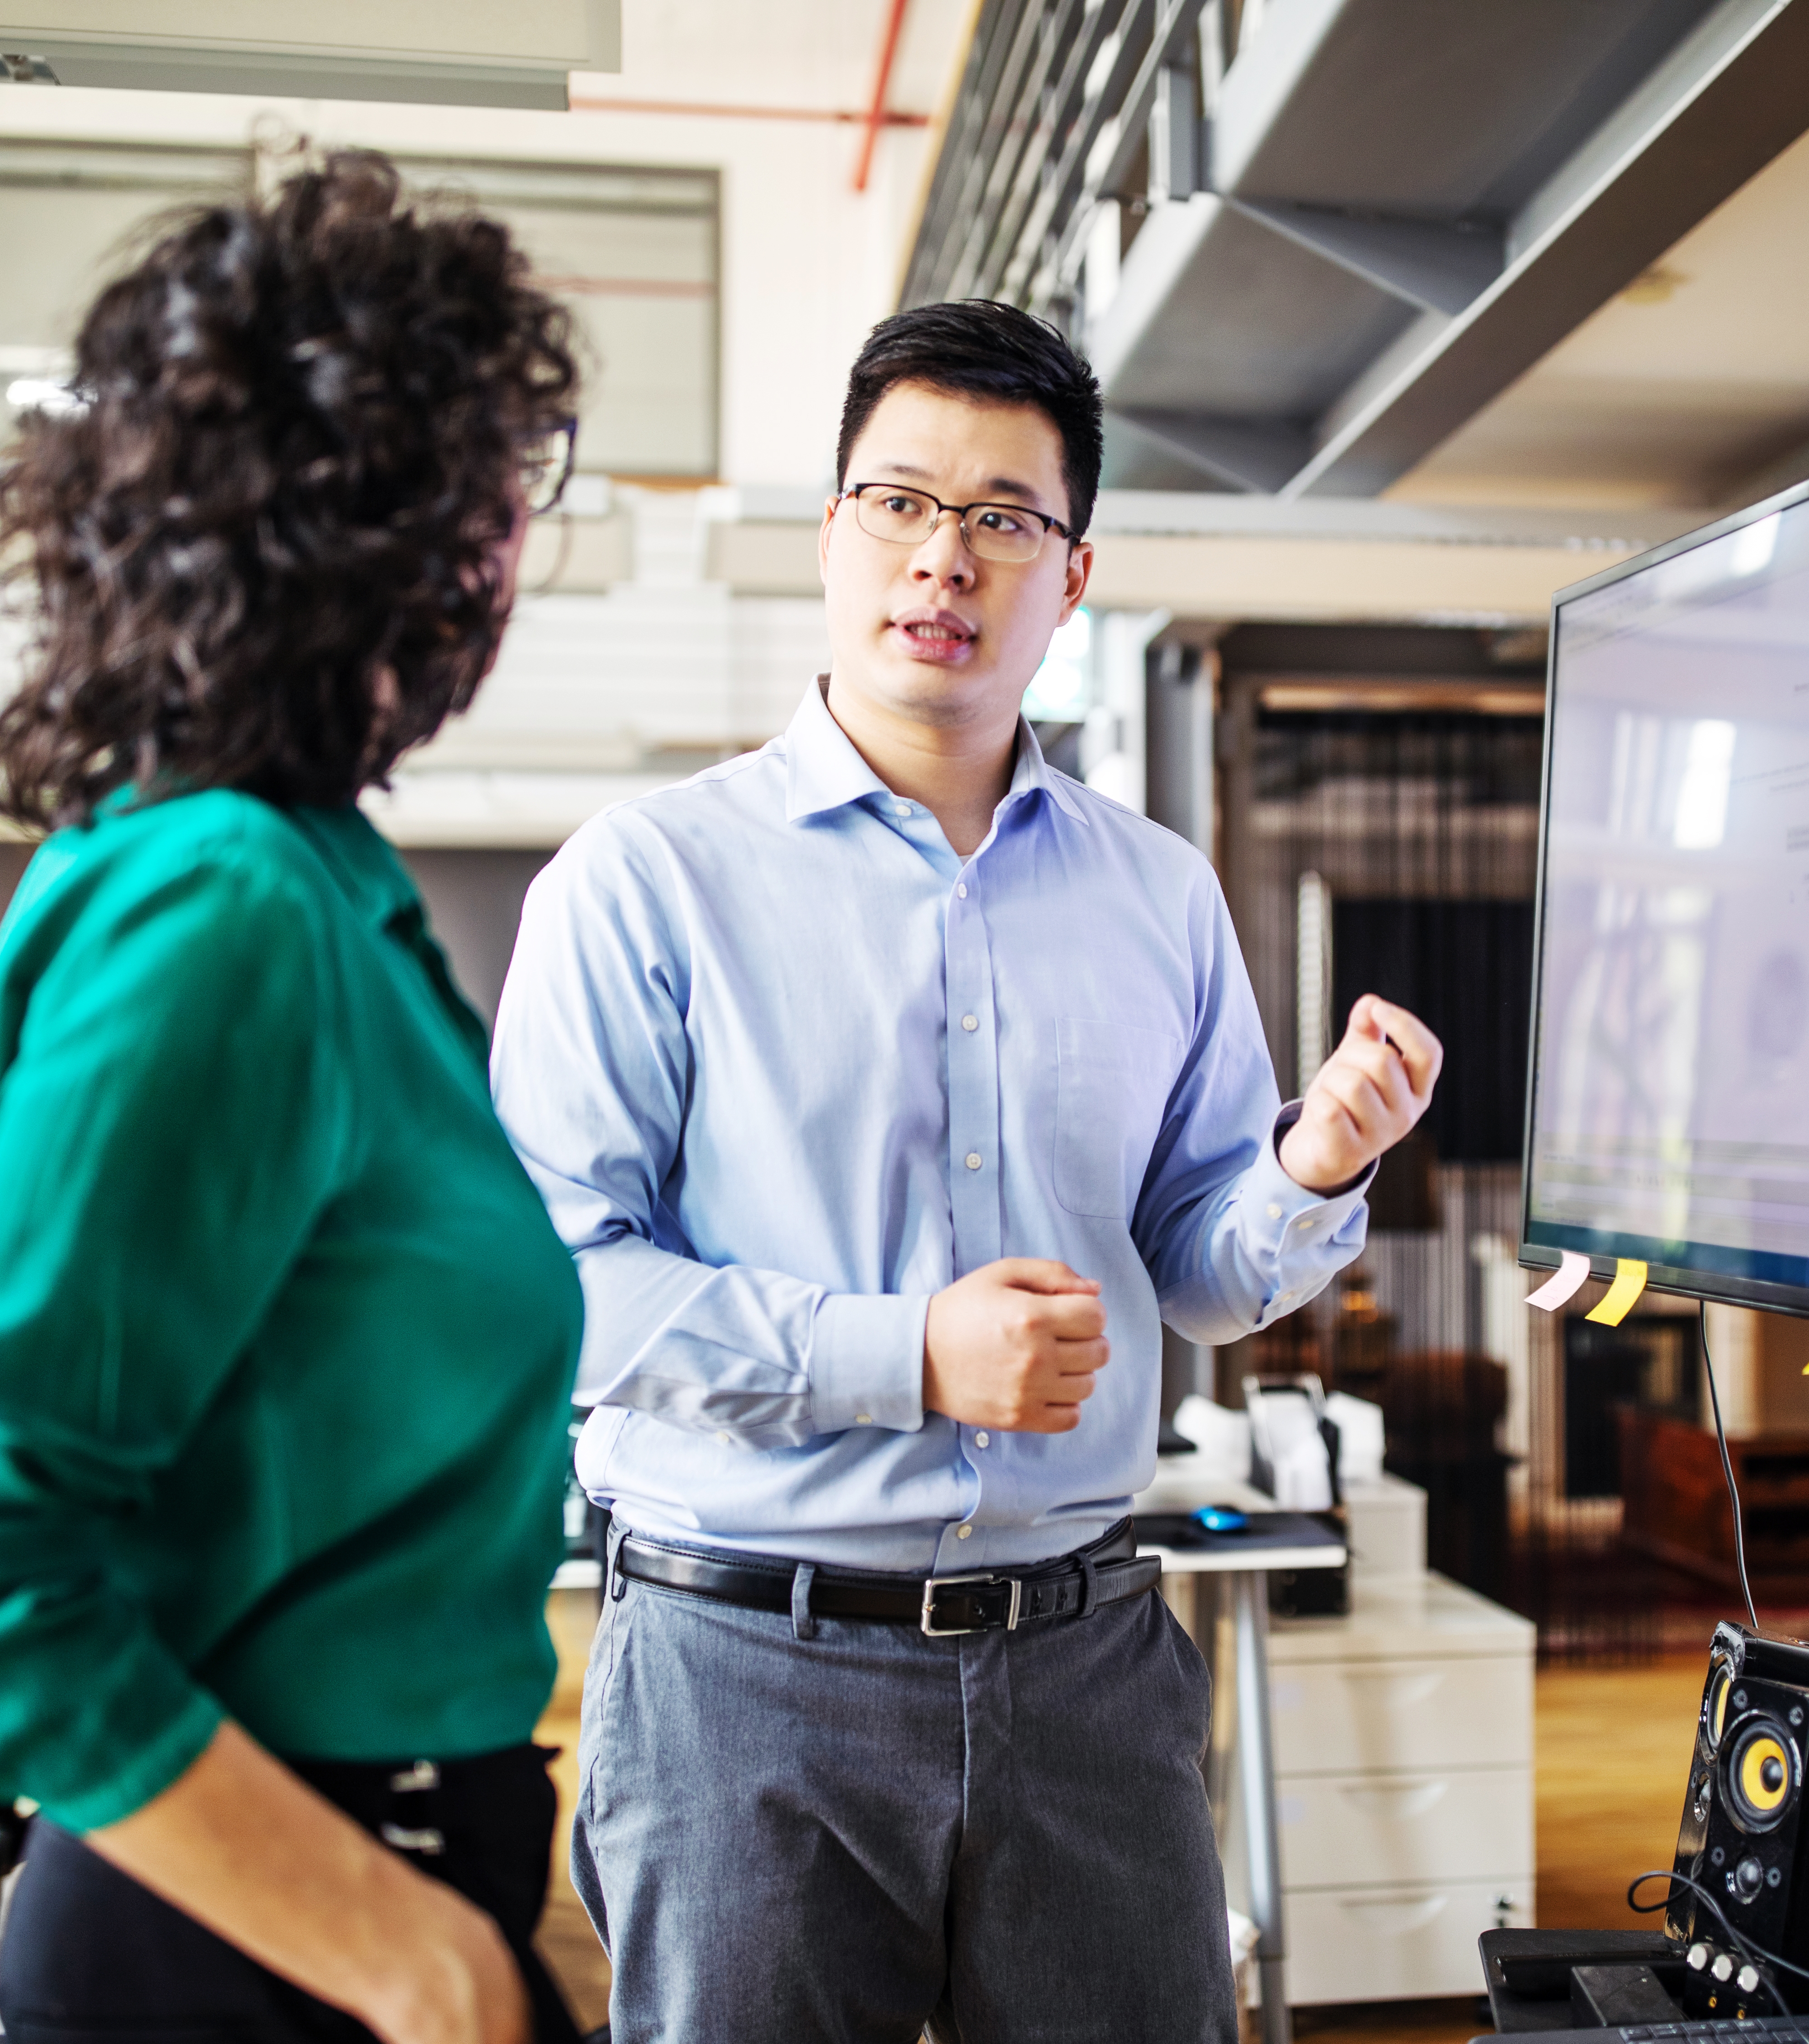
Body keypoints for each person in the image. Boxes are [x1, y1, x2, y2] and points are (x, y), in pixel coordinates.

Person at [491, 298, 1445, 2042]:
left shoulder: (1160, 895)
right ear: (832, 535)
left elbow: (1205, 1277)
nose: (947, 557)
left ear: (1070, 576)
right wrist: (909, 1356)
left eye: (1004, 518)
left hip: (1084, 1669)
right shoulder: (647, 883)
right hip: (745, 1679)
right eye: (901, 503)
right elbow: (557, 1290)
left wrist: (1314, 1162)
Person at [0, 152, 588, 2044]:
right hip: (269, 1929)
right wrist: (411, 1954)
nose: (512, 539)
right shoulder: (229, 905)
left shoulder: (303, 879)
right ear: (370, 524)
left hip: (360, 1887)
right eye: (488, 485)